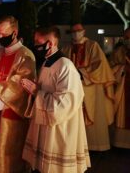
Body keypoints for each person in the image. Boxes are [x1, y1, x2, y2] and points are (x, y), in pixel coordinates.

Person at [22, 26, 90, 173]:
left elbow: (65, 104)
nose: (35, 46)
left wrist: (36, 92)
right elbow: (41, 91)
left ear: (50, 44)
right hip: (45, 125)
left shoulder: (66, 66)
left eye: (37, 42)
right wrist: (34, 91)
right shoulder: (47, 63)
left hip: (60, 129)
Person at [0, 16, 36, 173]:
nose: (0, 37)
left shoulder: (26, 55)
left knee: (10, 153)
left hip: (12, 114)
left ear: (15, 32)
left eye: (4, 34)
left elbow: (21, 84)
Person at [62, 23, 115, 151]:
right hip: (71, 87)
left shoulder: (93, 45)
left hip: (90, 86)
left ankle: (95, 145)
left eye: (78, 31)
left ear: (84, 31)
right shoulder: (66, 48)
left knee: (93, 113)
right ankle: (75, 145)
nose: (76, 34)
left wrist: (83, 73)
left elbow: (100, 64)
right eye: (73, 32)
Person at [109, 27, 130, 148]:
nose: (126, 40)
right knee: (122, 115)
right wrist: (122, 69)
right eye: (125, 37)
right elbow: (110, 69)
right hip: (122, 88)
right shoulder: (119, 51)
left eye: (128, 37)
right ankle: (121, 143)